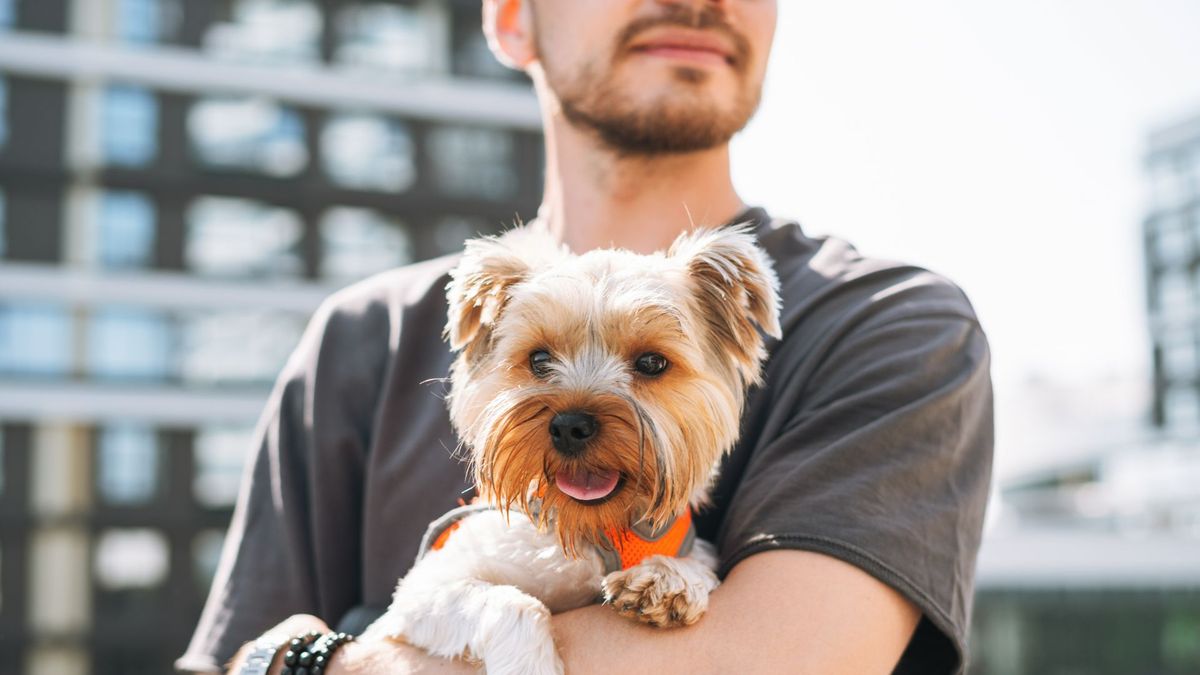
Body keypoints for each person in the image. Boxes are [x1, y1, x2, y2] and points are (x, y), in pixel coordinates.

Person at [177, 1, 994, 673]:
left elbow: (782, 662)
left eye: (650, 364)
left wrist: (324, 663)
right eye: (537, 362)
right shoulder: (363, 337)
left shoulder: (888, 325)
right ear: (509, 18)